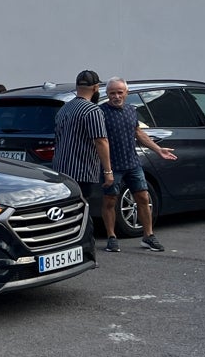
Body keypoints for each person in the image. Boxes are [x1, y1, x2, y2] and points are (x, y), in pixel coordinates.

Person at [99, 77, 177, 251]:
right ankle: (112, 237)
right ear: (107, 94)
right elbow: (97, 141)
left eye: (120, 92)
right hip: (112, 166)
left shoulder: (131, 110)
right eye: (112, 93)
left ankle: (148, 236)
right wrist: (106, 169)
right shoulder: (100, 113)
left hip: (133, 163)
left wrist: (158, 150)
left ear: (126, 93)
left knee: (143, 197)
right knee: (110, 200)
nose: (116, 96)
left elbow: (138, 133)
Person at [53, 70, 116, 250]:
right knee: (82, 211)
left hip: (61, 169)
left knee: (66, 210)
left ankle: (63, 246)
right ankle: (83, 249)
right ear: (96, 88)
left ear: (77, 87)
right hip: (82, 170)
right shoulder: (93, 110)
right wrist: (108, 171)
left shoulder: (64, 108)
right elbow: (101, 141)